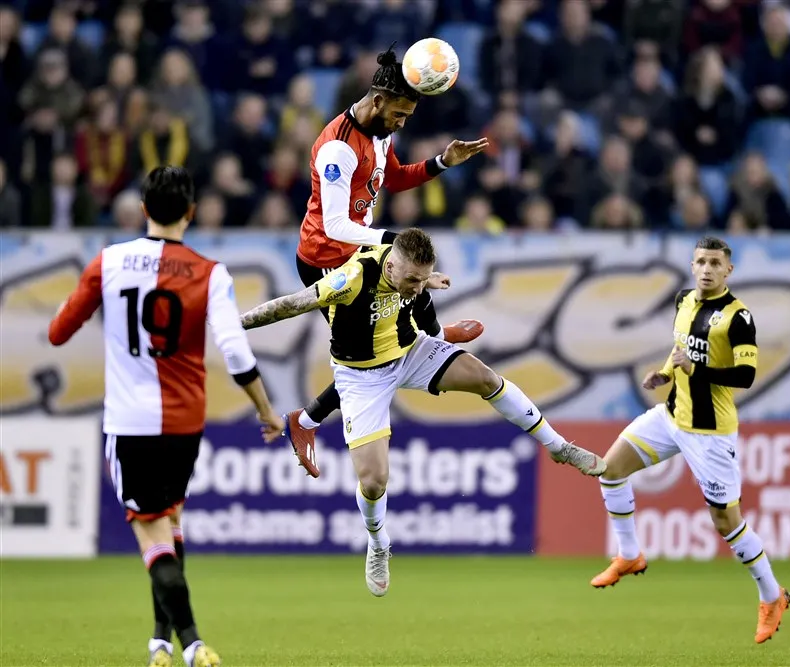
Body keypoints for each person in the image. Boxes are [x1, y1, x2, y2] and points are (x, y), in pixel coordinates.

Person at [240, 228, 607, 596]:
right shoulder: (351, 277)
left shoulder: (413, 278)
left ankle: (559, 447)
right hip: (360, 377)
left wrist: (436, 313)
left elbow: (424, 309)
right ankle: (379, 543)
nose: (417, 287)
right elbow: (290, 304)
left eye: (423, 278)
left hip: (409, 352)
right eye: (412, 279)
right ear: (392, 264)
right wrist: (235, 324)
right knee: (373, 481)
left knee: (484, 378)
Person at [48, 166, 285, 667]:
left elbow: (58, 333)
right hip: (184, 426)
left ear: (143, 210)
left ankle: (194, 644)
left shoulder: (109, 262)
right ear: (192, 213)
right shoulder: (210, 272)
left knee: (151, 537)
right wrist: (265, 410)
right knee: (172, 522)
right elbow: (237, 355)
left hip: (130, 424)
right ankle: (160, 642)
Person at [289, 46, 489, 473]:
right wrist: (391, 240)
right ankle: (303, 422)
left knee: (407, 291)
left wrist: (441, 162)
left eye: (407, 118)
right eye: (399, 115)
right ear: (377, 100)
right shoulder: (338, 149)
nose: (401, 123)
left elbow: (392, 178)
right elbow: (336, 225)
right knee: (371, 357)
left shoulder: (381, 133)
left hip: (360, 249)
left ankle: (433, 336)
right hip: (327, 257)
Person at [588, 236, 790, 644]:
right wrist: (666, 373)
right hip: (672, 415)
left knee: (725, 521)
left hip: (711, 434)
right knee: (609, 470)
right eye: (700, 261)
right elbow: (681, 349)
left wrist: (695, 370)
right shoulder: (684, 300)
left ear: (728, 270)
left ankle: (772, 596)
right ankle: (629, 555)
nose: (706, 269)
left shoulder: (738, 318)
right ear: (692, 264)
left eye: (715, 263)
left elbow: (746, 376)